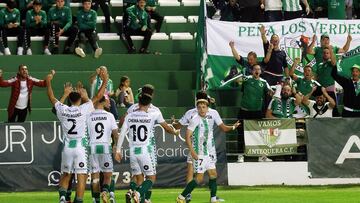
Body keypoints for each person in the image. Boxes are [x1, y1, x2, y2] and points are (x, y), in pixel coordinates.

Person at [45, 67, 108, 203]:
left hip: (67, 147)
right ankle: (78, 200)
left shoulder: (63, 109)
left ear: (69, 99)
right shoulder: (84, 109)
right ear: (79, 99)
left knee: (66, 174)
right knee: (81, 176)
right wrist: (104, 81)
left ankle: (62, 198)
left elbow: (51, 97)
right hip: (80, 148)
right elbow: (98, 96)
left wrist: (48, 82)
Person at [115, 84, 180, 203]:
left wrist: (118, 150)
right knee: (151, 176)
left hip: (133, 150)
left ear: (139, 98)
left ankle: (134, 192)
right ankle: (141, 195)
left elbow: (122, 131)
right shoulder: (154, 113)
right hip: (147, 148)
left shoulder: (130, 112)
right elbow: (166, 127)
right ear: (151, 96)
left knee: (139, 177)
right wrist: (175, 132)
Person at [172, 91, 234, 202]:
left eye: (203, 107)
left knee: (210, 173)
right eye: (200, 107)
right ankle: (183, 196)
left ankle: (213, 198)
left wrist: (174, 123)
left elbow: (178, 125)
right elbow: (187, 133)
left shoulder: (194, 113)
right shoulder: (196, 116)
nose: (202, 109)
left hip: (208, 149)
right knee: (198, 176)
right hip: (198, 148)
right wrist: (192, 150)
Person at [237, 65, 273, 162]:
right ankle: (240, 155)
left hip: (257, 112)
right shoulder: (246, 79)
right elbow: (238, 83)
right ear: (252, 71)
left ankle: (261, 156)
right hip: (244, 111)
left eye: (258, 69)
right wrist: (239, 80)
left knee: (260, 133)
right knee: (241, 133)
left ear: (260, 71)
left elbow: (270, 91)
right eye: (255, 69)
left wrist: (271, 93)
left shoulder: (264, 82)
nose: (257, 71)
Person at [87, 95, 118, 203]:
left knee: (95, 176)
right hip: (105, 146)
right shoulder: (109, 115)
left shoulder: (88, 115)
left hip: (92, 147)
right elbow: (115, 134)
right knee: (108, 175)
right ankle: (105, 192)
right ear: (103, 102)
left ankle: (96, 200)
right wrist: (116, 146)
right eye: (107, 101)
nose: (109, 102)